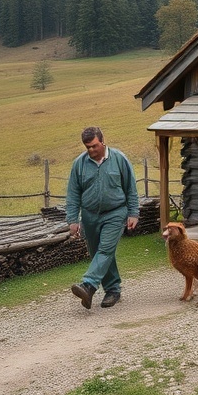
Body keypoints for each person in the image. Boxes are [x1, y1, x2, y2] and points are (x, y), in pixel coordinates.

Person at [65, 126, 139, 309]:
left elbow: (130, 187)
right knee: (98, 253)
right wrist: (73, 220)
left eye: (94, 146)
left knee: (105, 250)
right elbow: (73, 193)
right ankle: (113, 290)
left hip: (115, 213)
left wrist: (133, 213)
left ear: (102, 141)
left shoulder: (119, 159)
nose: (91, 150)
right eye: (87, 146)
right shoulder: (79, 164)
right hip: (89, 216)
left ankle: (88, 285)